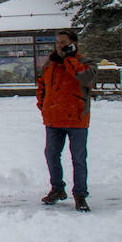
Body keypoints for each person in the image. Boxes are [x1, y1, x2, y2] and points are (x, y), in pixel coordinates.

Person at [37, 29, 96, 212]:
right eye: (57, 42)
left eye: (63, 42)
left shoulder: (85, 63)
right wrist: (43, 105)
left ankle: (80, 195)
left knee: (78, 159)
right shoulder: (50, 65)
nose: (60, 45)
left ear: (73, 43)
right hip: (54, 119)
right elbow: (42, 86)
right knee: (51, 154)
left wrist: (70, 59)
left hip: (77, 119)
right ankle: (57, 188)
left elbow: (85, 78)